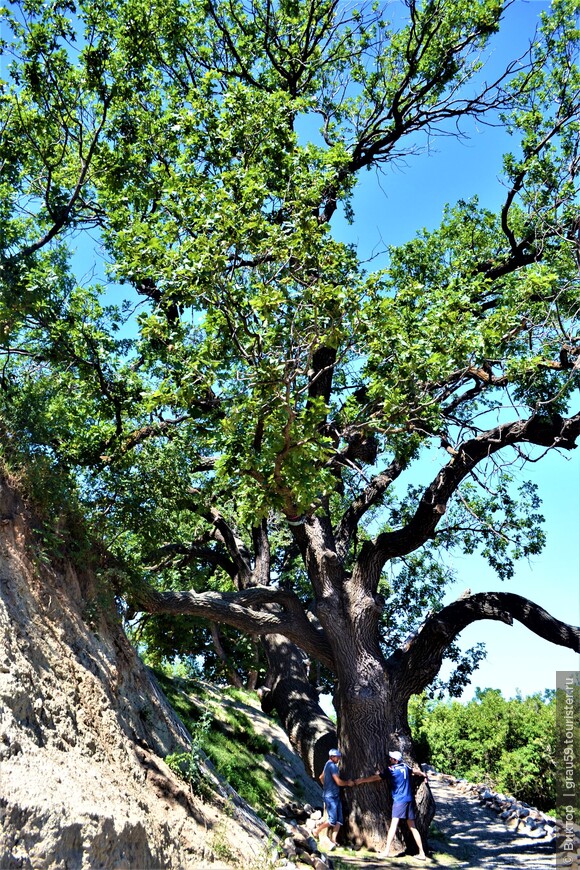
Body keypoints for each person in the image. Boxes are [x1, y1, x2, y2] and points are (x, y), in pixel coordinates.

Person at [355, 750, 428, 860]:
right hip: (409, 799)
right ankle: (422, 853)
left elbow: (376, 778)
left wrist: (362, 780)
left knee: (394, 825)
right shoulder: (405, 767)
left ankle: (387, 850)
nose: (389, 760)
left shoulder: (391, 770)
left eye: (391, 758)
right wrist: (423, 774)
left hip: (399, 801)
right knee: (412, 827)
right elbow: (414, 771)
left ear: (395, 760)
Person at [313, 748, 354, 850]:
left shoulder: (327, 764)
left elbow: (320, 777)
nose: (339, 758)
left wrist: (326, 786)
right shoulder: (332, 766)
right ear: (332, 757)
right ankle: (317, 830)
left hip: (334, 795)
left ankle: (333, 840)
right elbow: (339, 782)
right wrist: (348, 783)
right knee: (332, 820)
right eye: (337, 757)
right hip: (331, 797)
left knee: (339, 820)